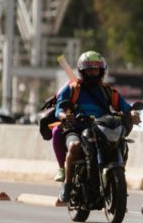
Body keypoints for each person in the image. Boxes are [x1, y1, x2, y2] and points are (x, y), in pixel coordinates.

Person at [55, 51, 138, 204]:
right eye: (89, 69)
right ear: (82, 71)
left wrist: (132, 114)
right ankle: (67, 185)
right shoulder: (72, 88)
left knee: (121, 143)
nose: (93, 73)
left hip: (101, 129)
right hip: (77, 129)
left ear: (101, 71)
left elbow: (125, 107)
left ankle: (114, 188)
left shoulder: (107, 90)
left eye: (96, 69)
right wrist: (64, 116)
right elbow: (59, 109)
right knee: (74, 146)